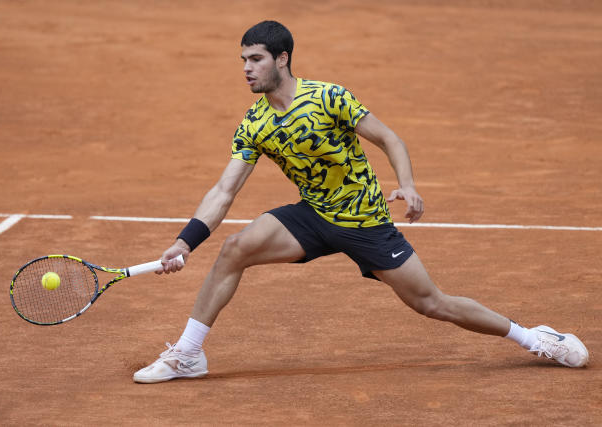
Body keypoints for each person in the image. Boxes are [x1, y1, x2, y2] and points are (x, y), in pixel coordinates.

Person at [133, 21, 589, 383]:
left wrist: (407, 185)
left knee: (432, 303)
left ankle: (535, 338)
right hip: (312, 215)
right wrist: (185, 242)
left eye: (255, 59)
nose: (246, 69)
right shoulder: (254, 124)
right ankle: (188, 356)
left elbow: (389, 137)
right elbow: (224, 191)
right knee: (234, 250)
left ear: (282, 59)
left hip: (366, 223)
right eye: (243, 60)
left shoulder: (328, 97)